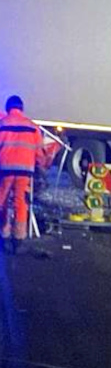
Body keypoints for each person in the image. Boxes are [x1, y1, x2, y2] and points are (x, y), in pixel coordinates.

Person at [0, 95, 43, 254]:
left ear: (8, 108)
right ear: (21, 108)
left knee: (2, 200)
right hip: (25, 170)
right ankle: (18, 239)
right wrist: (40, 167)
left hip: (5, 169)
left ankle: (4, 235)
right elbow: (39, 151)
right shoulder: (32, 126)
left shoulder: (2, 124)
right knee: (20, 202)